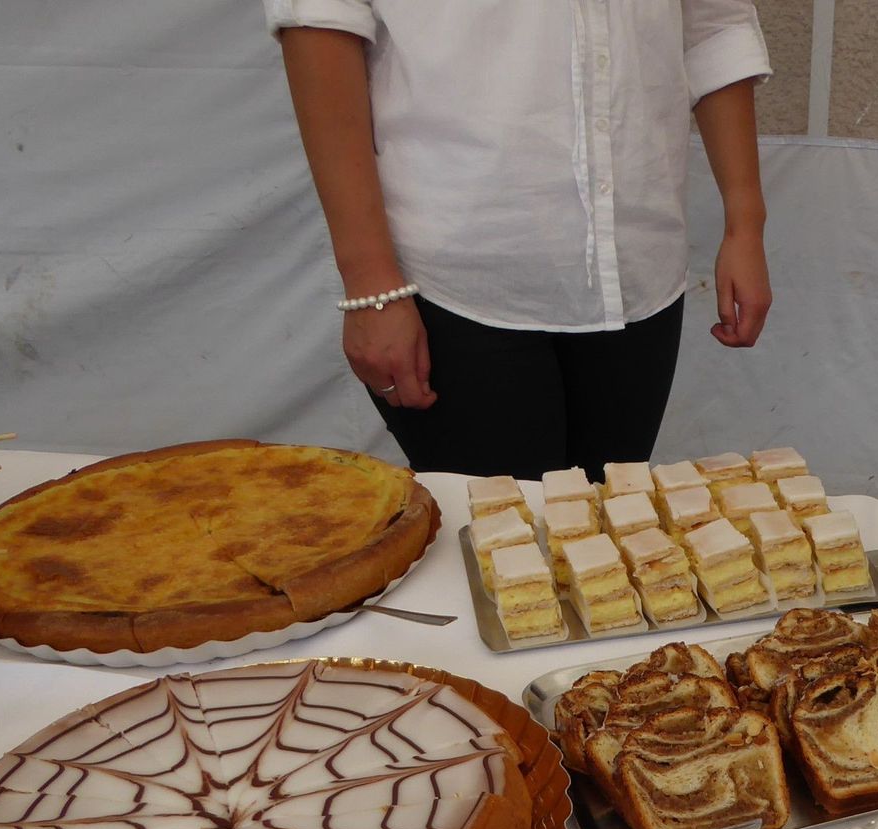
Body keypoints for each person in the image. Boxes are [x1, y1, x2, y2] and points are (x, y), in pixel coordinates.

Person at [267, 2, 773, 479]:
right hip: (453, 278)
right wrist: (369, 283)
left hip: (638, 269)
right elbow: (320, 24)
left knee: (605, 538)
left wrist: (745, 223)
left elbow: (714, 24)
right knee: (502, 547)